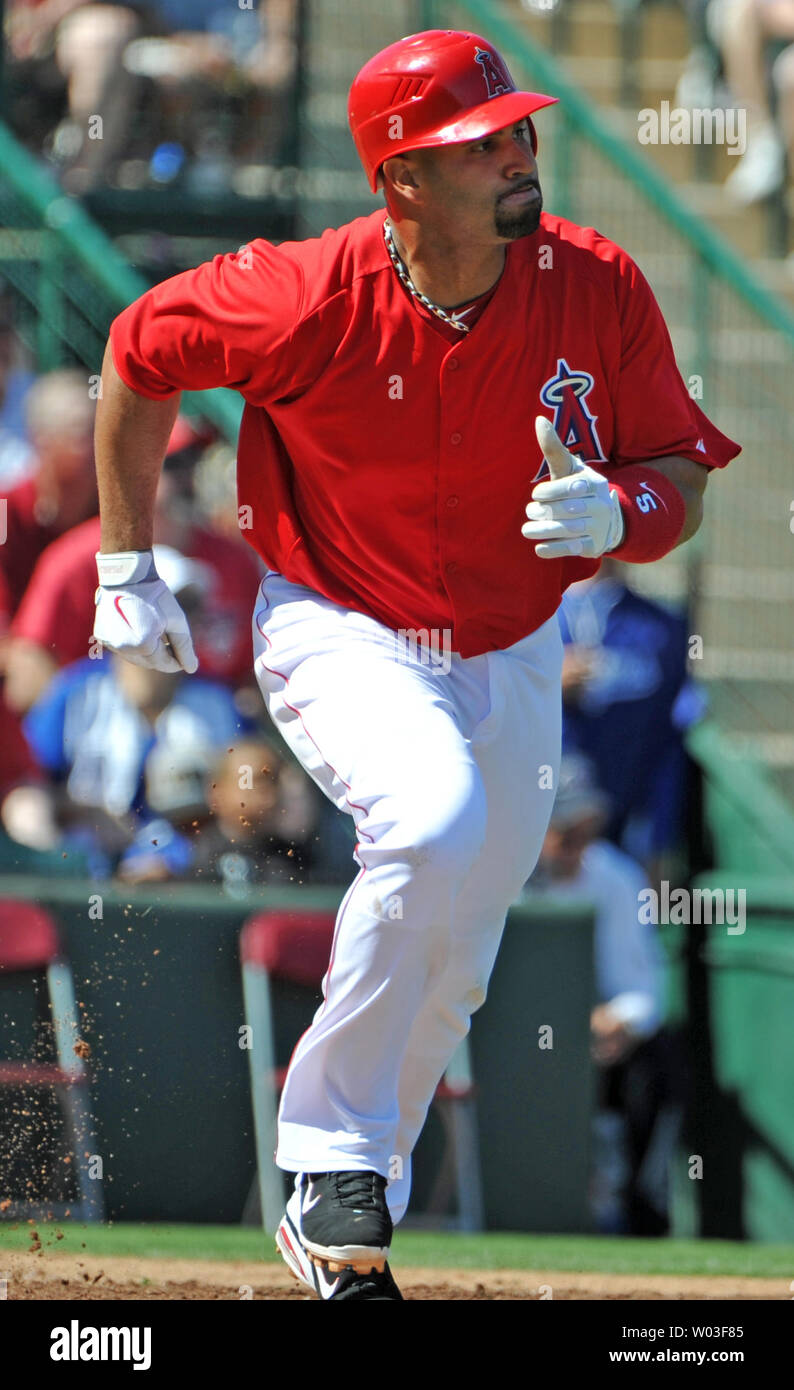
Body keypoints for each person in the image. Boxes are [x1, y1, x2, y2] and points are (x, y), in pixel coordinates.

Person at [90, 29, 740, 1300]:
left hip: (512, 642)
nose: (518, 151)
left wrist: (627, 514)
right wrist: (127, 564)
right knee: (430, 824)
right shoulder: (303, 290)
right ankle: (329, 1154)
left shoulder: (594, 281)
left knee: (463, 946)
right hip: (341, 620)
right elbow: (133, 354)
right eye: (477, 143)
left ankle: (348, 1231)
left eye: (516, 129)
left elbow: (676, 472)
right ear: (399, 179)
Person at [526, 754, 686, 1236]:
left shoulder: (614, 877)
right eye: (563, 827)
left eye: (585, 826)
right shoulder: (491, 874)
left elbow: (640, 988)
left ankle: (637, 1212)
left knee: (656, 1062)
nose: (576, 840)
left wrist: (619, 1021)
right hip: (503, 1045)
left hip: (590, 1046)